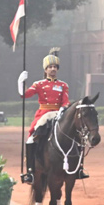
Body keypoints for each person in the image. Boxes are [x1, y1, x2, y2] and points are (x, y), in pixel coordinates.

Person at [19, 47, 72, 185]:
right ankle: (30, 171)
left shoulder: (63, 85)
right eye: (50, 67)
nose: (53, 69)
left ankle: (77, 167)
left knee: (74, 135)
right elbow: (25, 95)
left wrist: (63, 109)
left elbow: (66, 101)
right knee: (31, 139)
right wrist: (21, 82)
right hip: (43, 115)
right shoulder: (39, 84)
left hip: (59, 113)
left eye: (55, 67)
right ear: (45, 69)